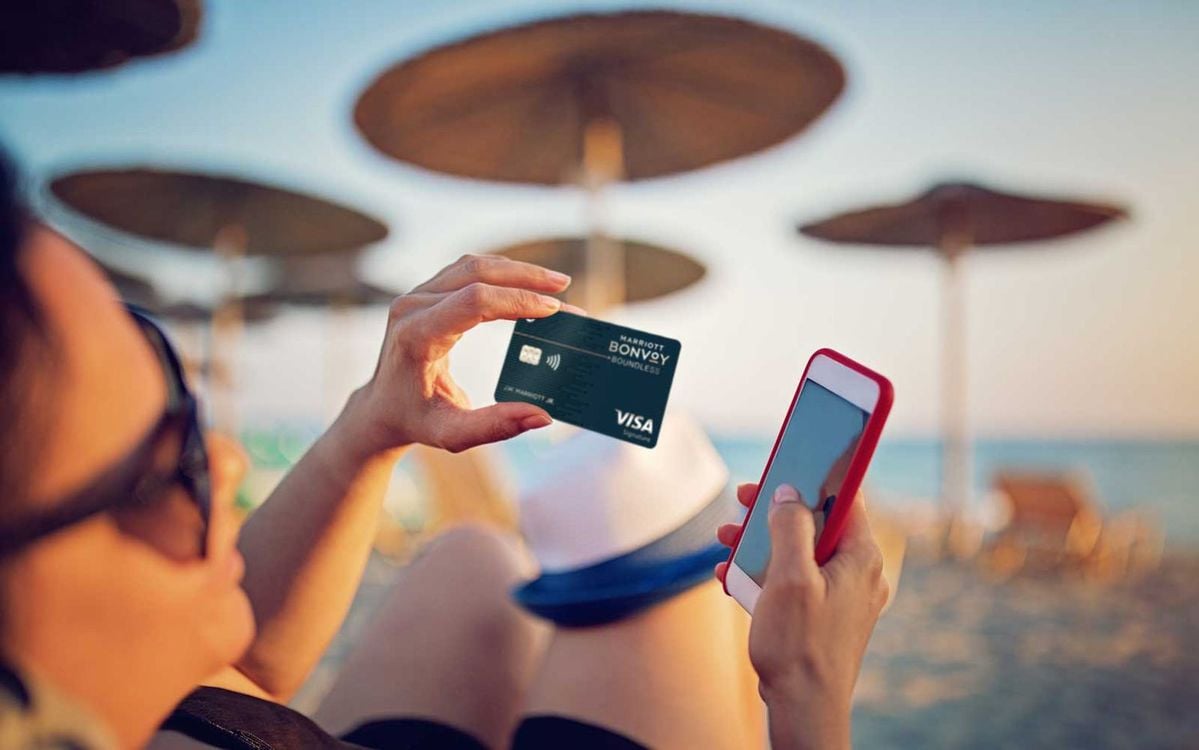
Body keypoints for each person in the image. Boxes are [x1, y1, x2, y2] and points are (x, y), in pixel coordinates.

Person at [0, 149, 888, 749]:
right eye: (165, 467)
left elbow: (242, 667)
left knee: (472, 553)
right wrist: (808, 698)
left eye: (173, 387)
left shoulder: (82, 687)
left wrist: (366, 431)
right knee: (679, 572)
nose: (226, 462)